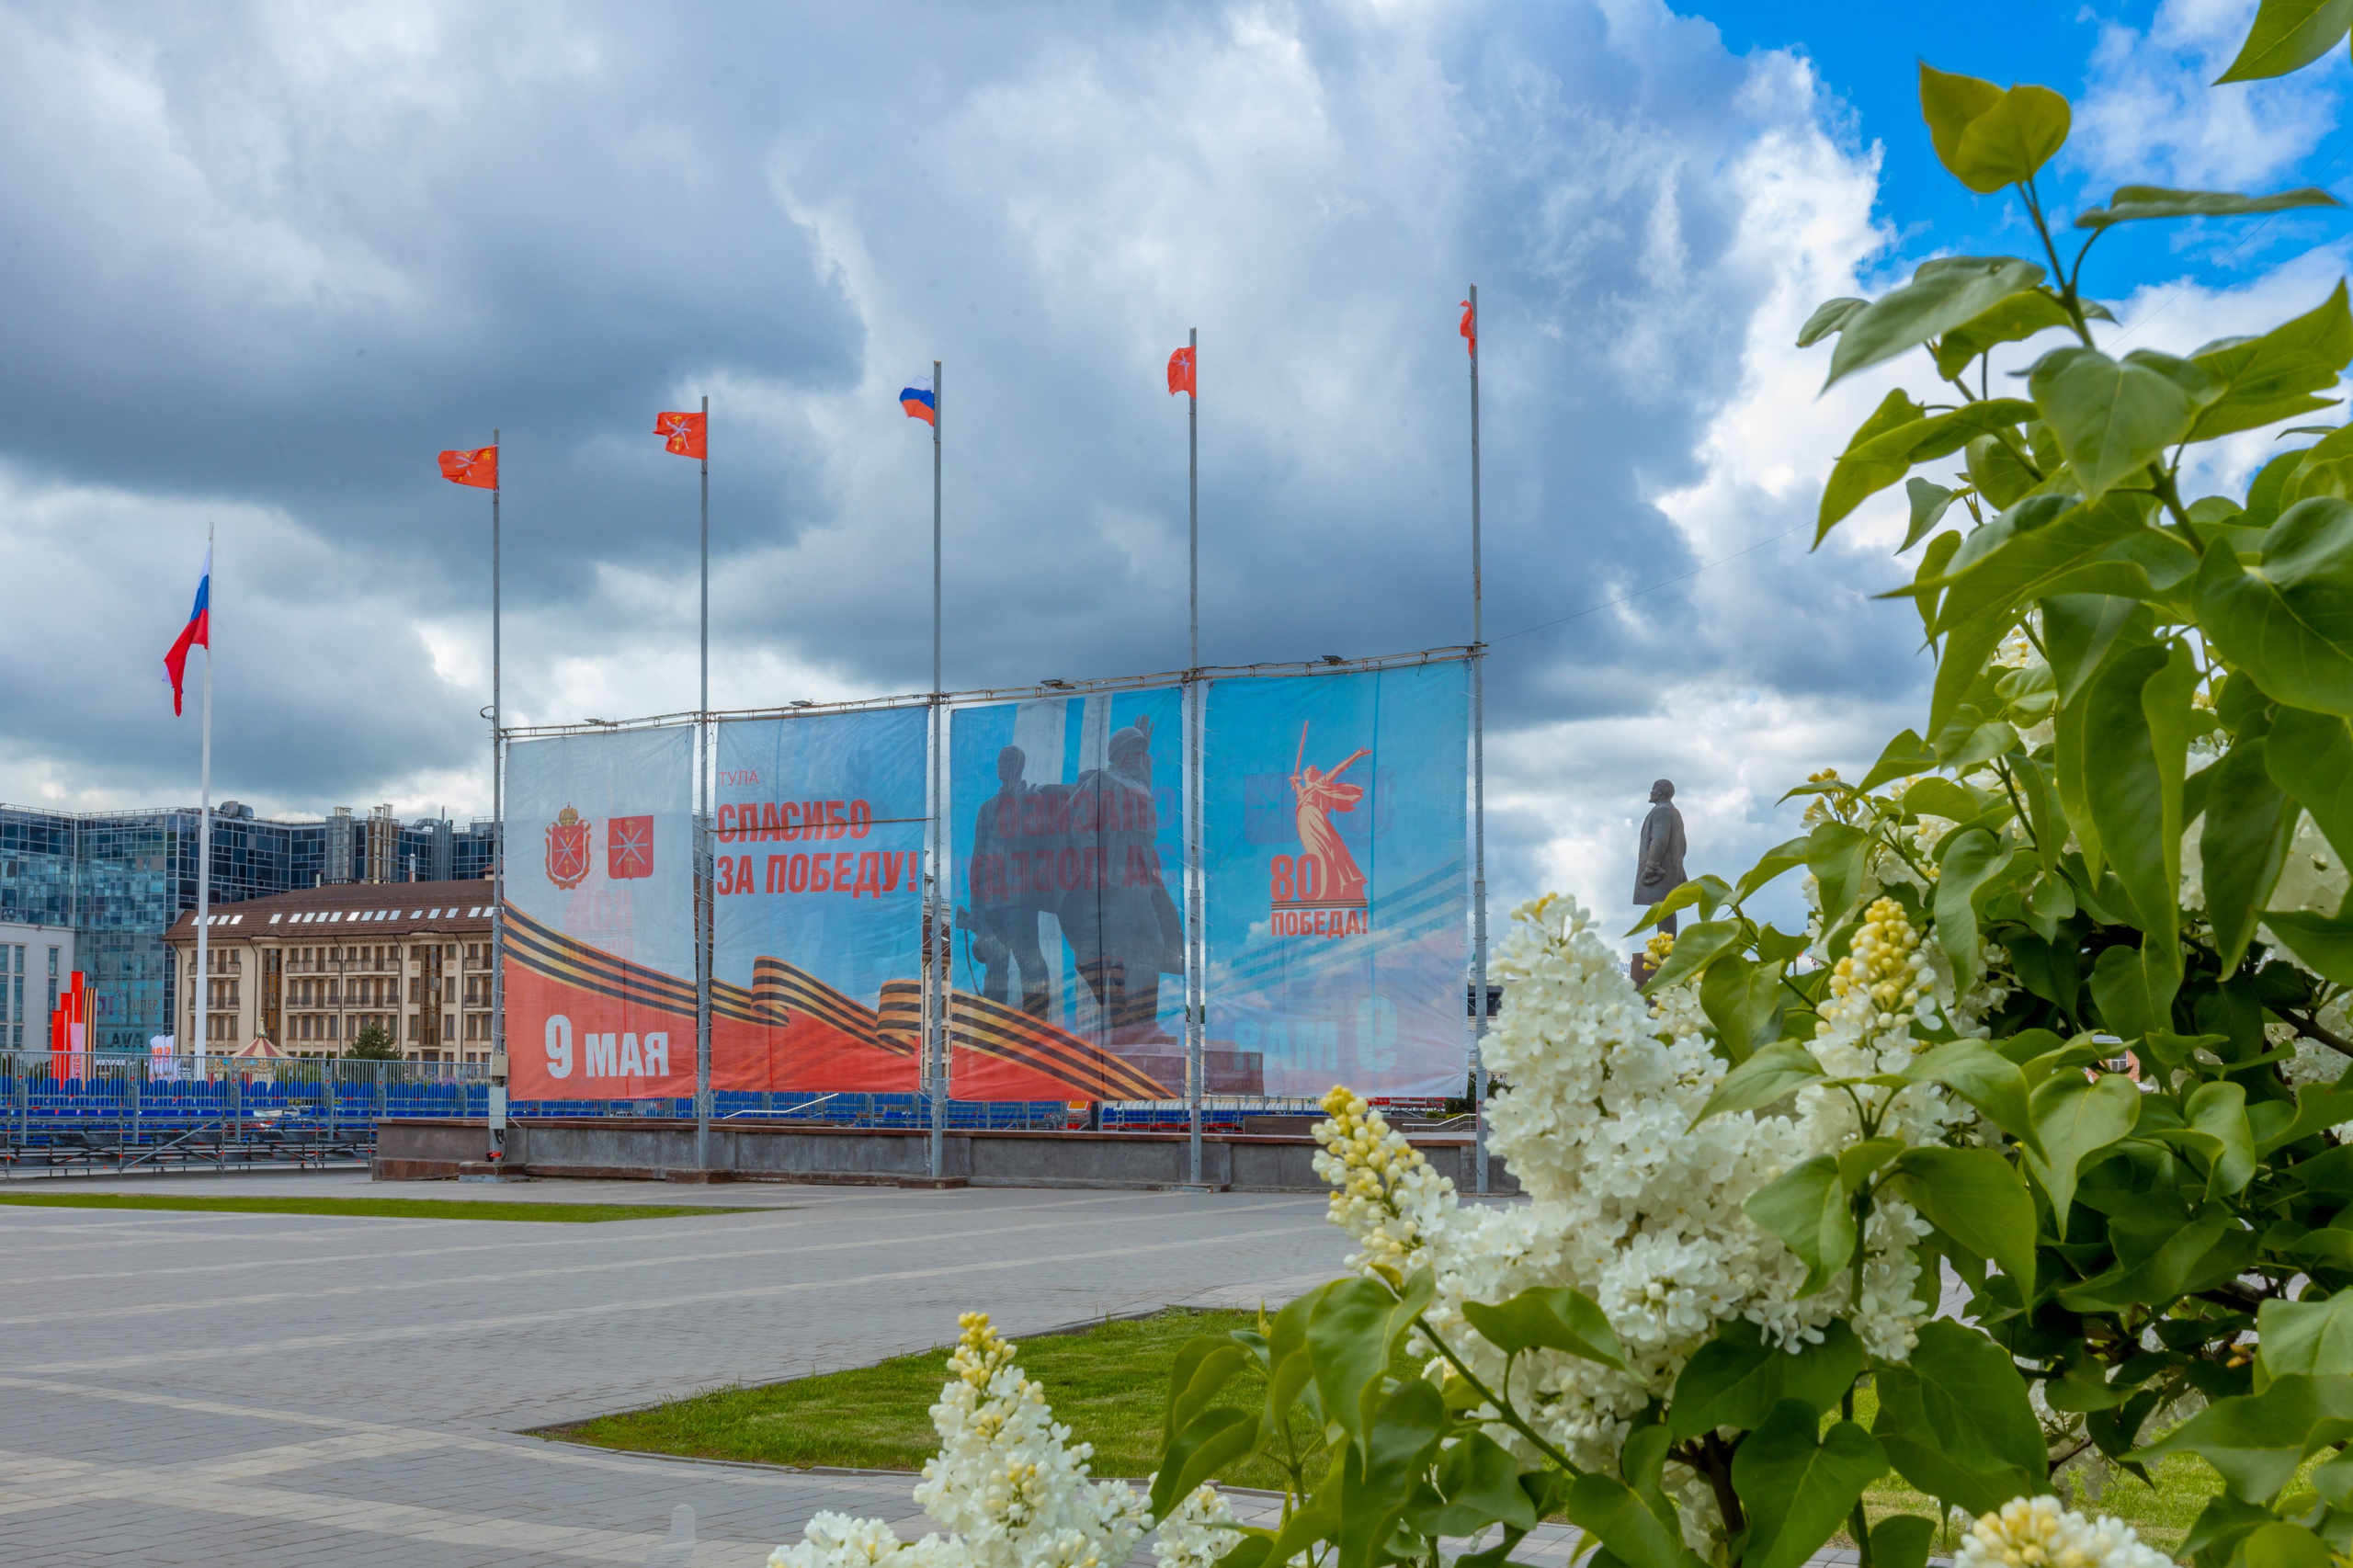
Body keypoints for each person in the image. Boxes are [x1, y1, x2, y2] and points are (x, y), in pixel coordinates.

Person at [1061, 717, 1184, 1044]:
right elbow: (1082, 828)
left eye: (1142, 752)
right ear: (1121, 754)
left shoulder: (1137, 783)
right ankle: (1125, 1026)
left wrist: (1144, 744)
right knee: (1121, 951)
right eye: (1136, 751)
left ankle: (1142, 1024)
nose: (1142, 757)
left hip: (1142, 873)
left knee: (1153, 945)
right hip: (1116, 876)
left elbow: (1142, 790)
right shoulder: (1102, 780)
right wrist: (1098, 873)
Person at [967, 745, 1051, 1017]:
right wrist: (976, 906)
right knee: (995, 965)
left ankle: (1037, 1022)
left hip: (1020, 898)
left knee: (1030, 961)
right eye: (999, 760)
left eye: (1007, 760)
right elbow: (978, 858)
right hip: (991, 902)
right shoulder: (987, 808)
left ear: (1019, 765)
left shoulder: (1032, 800)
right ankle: (994, 1024)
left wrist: (1028, 802)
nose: (1001, 764)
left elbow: (1039, 840)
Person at [1290, 746, 1371, 903]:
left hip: (1315, 818)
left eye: (1311, 770)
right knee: (1315, 852)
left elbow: (1338, 769)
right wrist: (1296, 783)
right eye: (1307, 771)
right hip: (1304, 824)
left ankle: (1341, 884)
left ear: (1315, 775)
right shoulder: (1302, 792)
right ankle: (1326, 887)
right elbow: (1301, 792)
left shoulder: (1320, 783)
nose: (1308, 772)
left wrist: (1355, 756)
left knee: (1327, 848)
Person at [1631, 778, 1688, 933]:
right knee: (1666, 910)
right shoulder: (1674, 812)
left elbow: (1659, 840)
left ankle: (1666, 946)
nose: (1651, 792)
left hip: (1660, 872)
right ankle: (1667, 944)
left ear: (1661, 792)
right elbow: (1683, 846)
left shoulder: (1661, 811)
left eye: (1654, 789)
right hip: (1672, 870)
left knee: (1663, 909)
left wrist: (1651, 866)